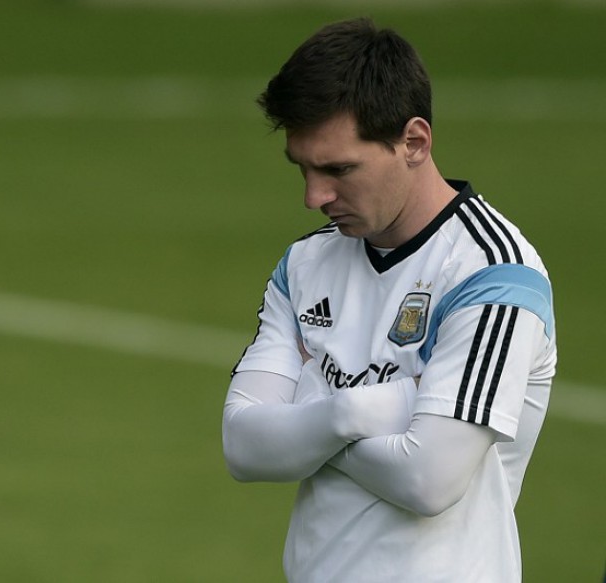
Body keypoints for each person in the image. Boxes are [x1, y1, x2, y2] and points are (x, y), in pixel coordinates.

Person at [222, 18, 557, 583]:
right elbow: (243, 447)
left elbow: (429, 479)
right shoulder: (304, 266)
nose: (314, 196)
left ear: (414, 142)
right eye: (302, 169)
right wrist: (358, 410)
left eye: (338, 170)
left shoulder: (494, 274)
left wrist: (308, 412)